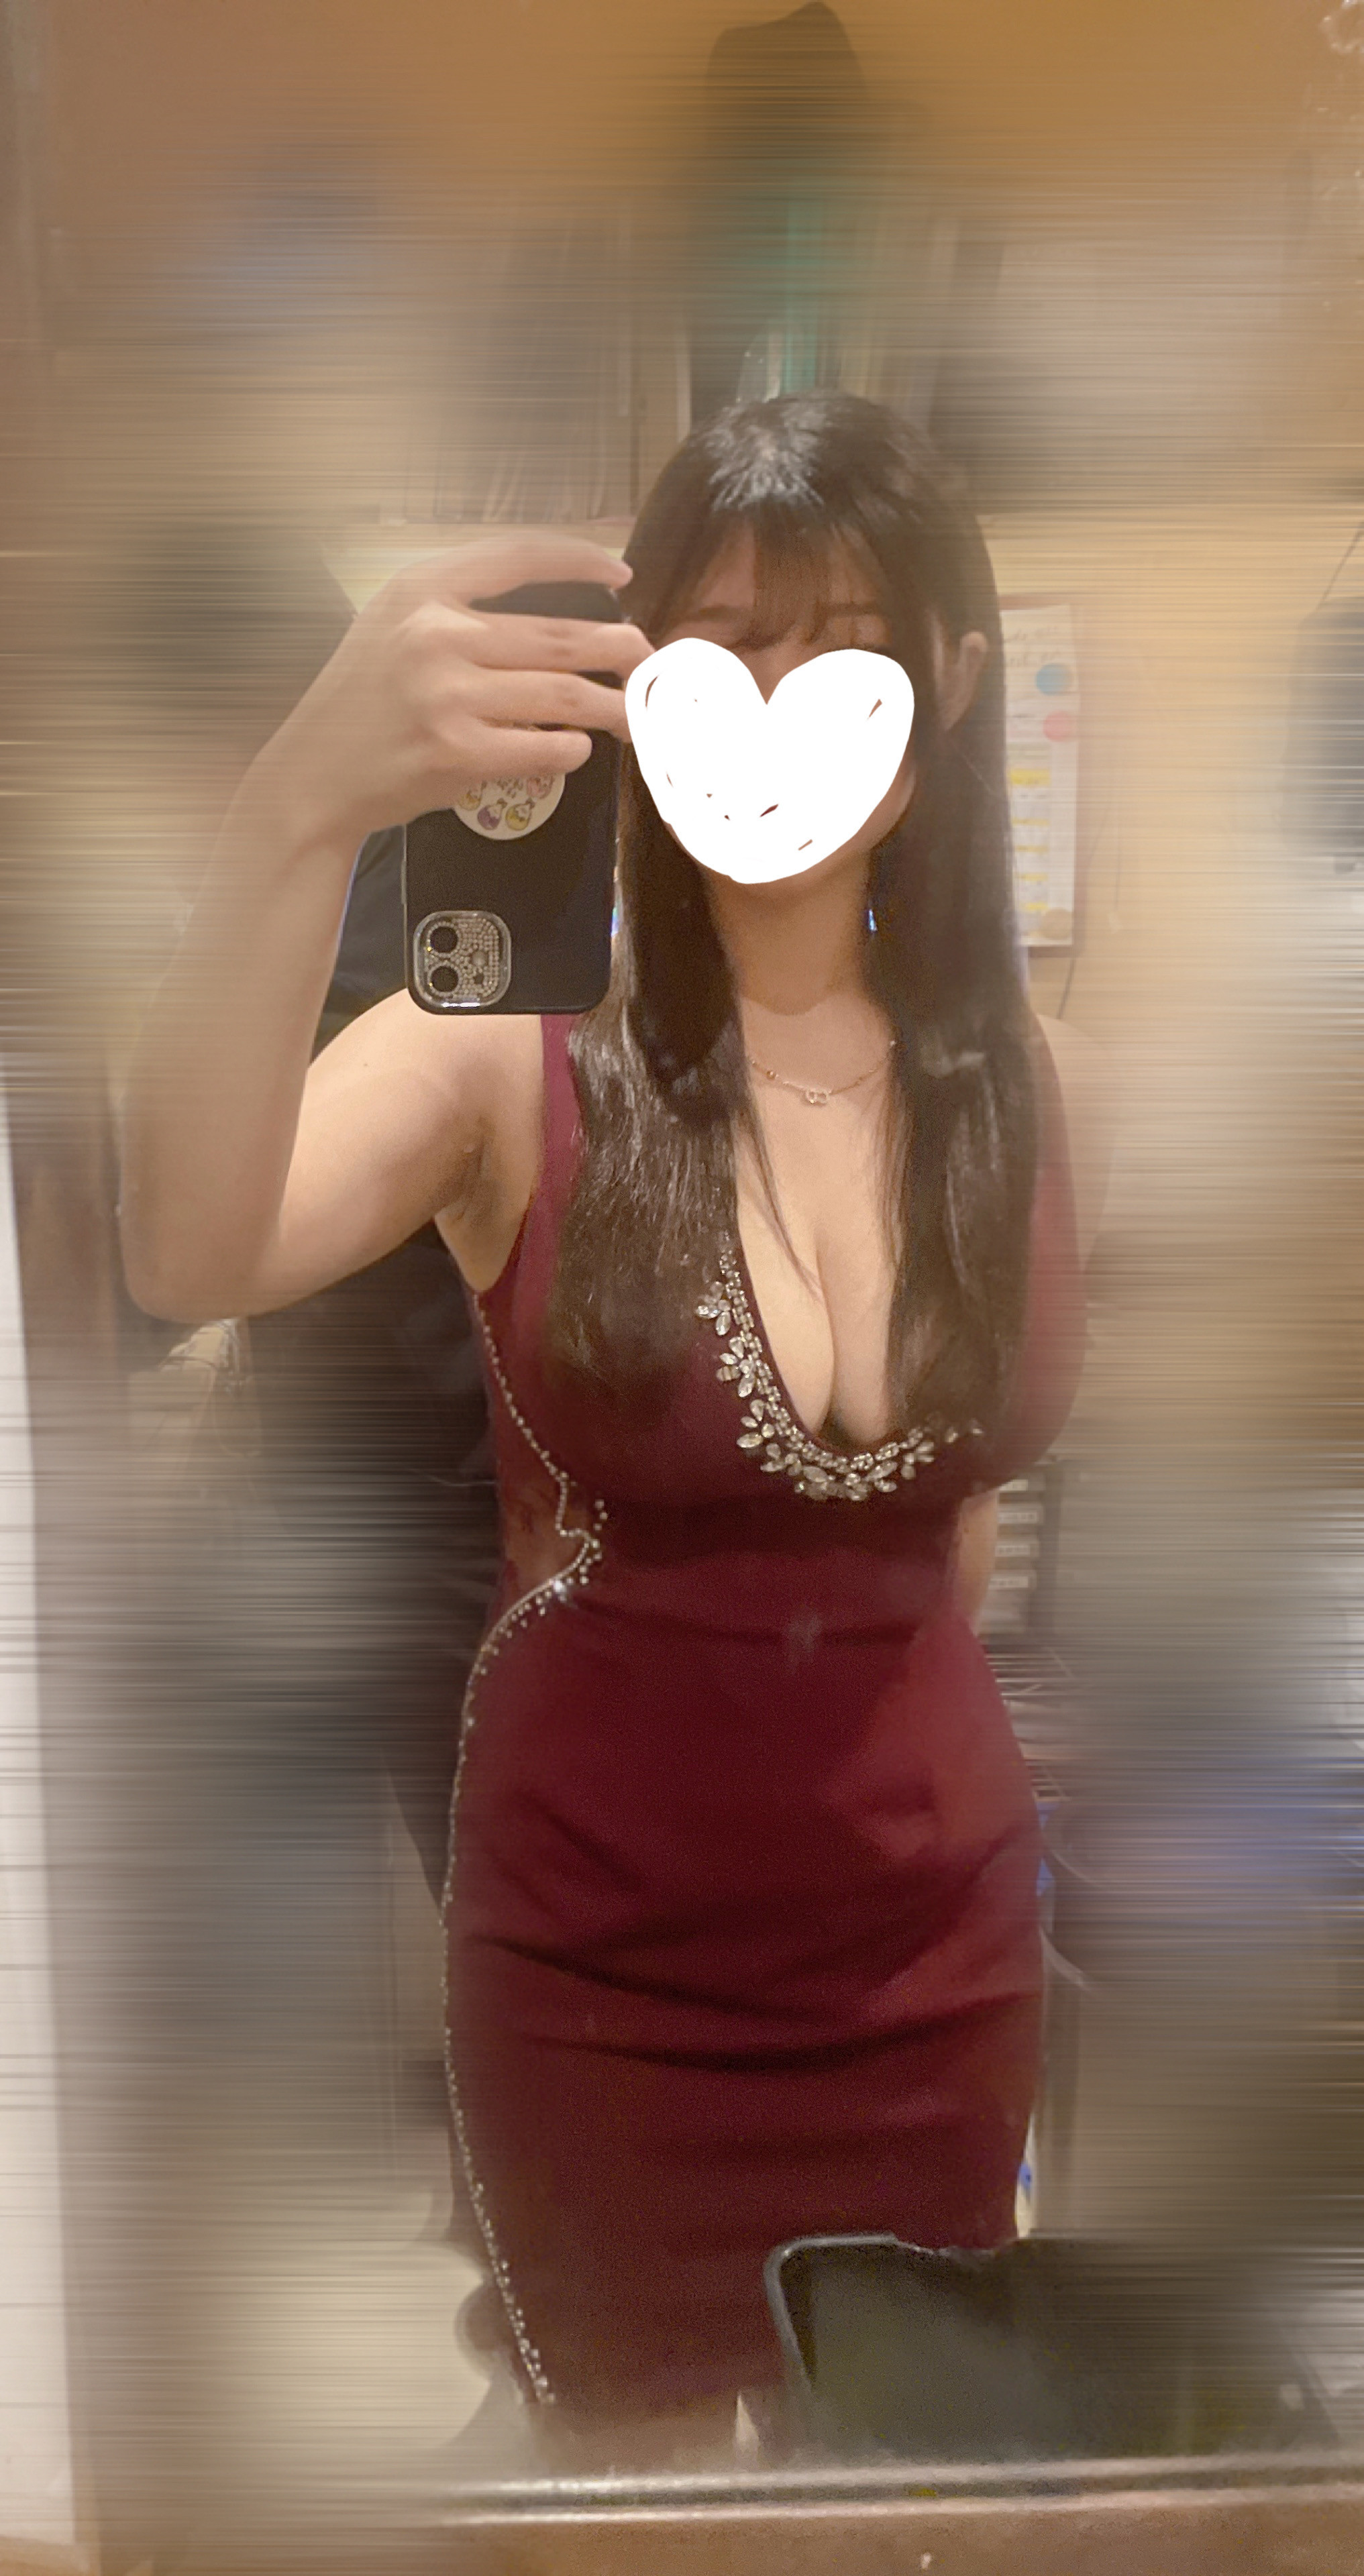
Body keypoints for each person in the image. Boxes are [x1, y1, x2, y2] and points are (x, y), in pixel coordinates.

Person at [119, 392, 1106, 2439]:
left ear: (945, 688)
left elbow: (945, 1532)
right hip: (605, 1966)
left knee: (895, 2466)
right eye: (724, 646)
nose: (779, 707)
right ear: (640, 685)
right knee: (624, 2471)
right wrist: (297, 809)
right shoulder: (506, 1047)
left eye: (845, 648)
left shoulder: (1026, 1081)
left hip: (931, 1954)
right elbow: (187, 1243)